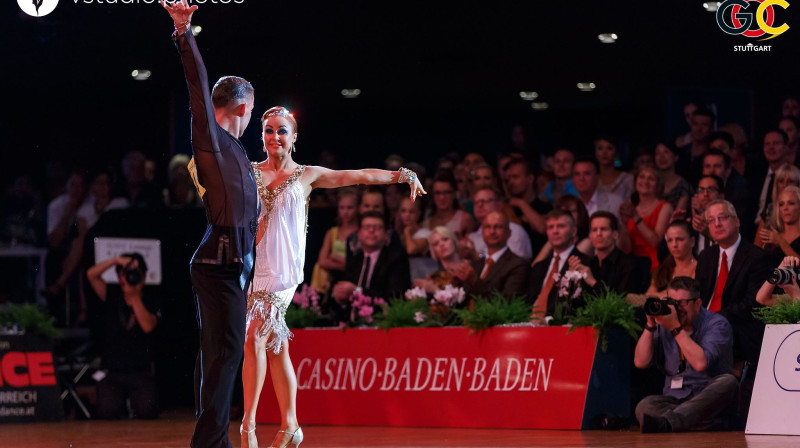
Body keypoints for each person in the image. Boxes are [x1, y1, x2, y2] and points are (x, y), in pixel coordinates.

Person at [246, 107, 424, 448]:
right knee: (273, 344)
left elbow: (356, 175)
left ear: (294, 137)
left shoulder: (307, 175)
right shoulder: (249, 172)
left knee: (254, 334)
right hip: (256, 268)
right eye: (268, 130)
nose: (274, 137)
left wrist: (401, 175)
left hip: (284, 271)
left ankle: (247, 429)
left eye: (282, 131)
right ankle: (290, 426)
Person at [163, 2, 260, 446]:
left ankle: (213, 441)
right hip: (219, 263)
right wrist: (185, 31)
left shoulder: (238, 153)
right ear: (244, 105)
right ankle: (210, 444)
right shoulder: (213, 141)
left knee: (219, 355)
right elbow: (197, 87)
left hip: (231, 264)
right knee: (224, 354)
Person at [634, 277, 738, 433]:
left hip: (706, 399)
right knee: (644, 406)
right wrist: (650, 326)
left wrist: (675, 328)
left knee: (728, 382)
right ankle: (695, 423)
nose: (676, 308)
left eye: (682, 303)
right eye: (671, 301)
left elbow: (700, 363)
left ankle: (670, 423)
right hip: (675, 400)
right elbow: (640, 362)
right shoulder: (664, 323)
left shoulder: (717, 324)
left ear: (697, 303)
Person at [86, 253, 160, 420]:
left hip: (140, 371)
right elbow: (91, 274)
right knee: (107, 411)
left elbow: (148, 326)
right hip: (113, 371)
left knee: (147, 410)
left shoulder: (151, 300)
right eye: (122, 274)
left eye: (132, 273)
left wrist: (134, 296)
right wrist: (116, 261)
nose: (126, 278)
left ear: (143, 275)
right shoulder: (111, 295)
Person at [450, 211, 529, 299]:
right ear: (482, 232)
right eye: (487, 227)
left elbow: (507, 303)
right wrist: (457, 285)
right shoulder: (476, 264)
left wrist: (474, 281)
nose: (492, 231)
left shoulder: (518, 265)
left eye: (498, 227)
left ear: (509, 233)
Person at [528, 209, 590, 317]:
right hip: (529, 323)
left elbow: (579, 306)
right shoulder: (539, 267)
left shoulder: (585, 263)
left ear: (574, 231)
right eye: (550, 227)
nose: (555, 231)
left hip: (559, 326)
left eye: (561, 226)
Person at [568, 211, 644, 295]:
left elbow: (622, 302)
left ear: (615, 234)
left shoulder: (628, 264)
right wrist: (575, 284)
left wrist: (593, 282)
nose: (599, 234)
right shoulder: (589, 264)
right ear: (590, 236)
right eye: (594, 230)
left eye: (603, 229)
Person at [619, 167, 673, 272]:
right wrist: (624, 224)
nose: (645, 181)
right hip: (632, 264)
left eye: (651, 179)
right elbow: (625, 249)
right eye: (642, 177)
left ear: (658, 184)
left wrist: (635, 217)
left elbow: (655, 241)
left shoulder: (665, 207)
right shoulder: (629, 207)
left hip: (654, 263)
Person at [310, 188, 359, 295]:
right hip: (332, 278)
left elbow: (358, 265)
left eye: (350, 208)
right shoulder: (332, 232)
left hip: (354, 280)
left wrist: (334, 257)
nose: (345, 212)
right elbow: (322, 261)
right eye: (342, 208)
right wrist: (345, 263)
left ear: (357, 208)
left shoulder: (362, 232)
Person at [647, 220, 697, 296]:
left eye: (679, 239)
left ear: (692, 241)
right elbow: (648, 296)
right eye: (670, 240)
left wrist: (657, 296)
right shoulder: (662, 269)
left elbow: (682, 296)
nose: (674, 245)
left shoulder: (699, 268)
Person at [413, 226, 467, 294]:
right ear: (433, 250)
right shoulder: (434, 278)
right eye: (436, 244)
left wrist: (434, 289)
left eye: (445, 239)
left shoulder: (472, 265)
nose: (441, 244)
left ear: (454, 240)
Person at [422, 171, 476, 238]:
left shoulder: (465, 219)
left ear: (454, 194)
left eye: (447, 192)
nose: (442, 197)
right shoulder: (426, 224)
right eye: (438, 193)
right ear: (433, 195)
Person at [757, 185, 800, 261]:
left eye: (791, 203)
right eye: (781, 204)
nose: (785, 208)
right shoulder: (772, 238)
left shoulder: (777, 238)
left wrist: (781, 242)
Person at [654, 141, 692, 215]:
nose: (661, 156)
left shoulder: (683, 185)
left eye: (666, 152)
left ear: (676, 157)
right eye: (657, 153)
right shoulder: (651, 183)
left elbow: (678, 215)